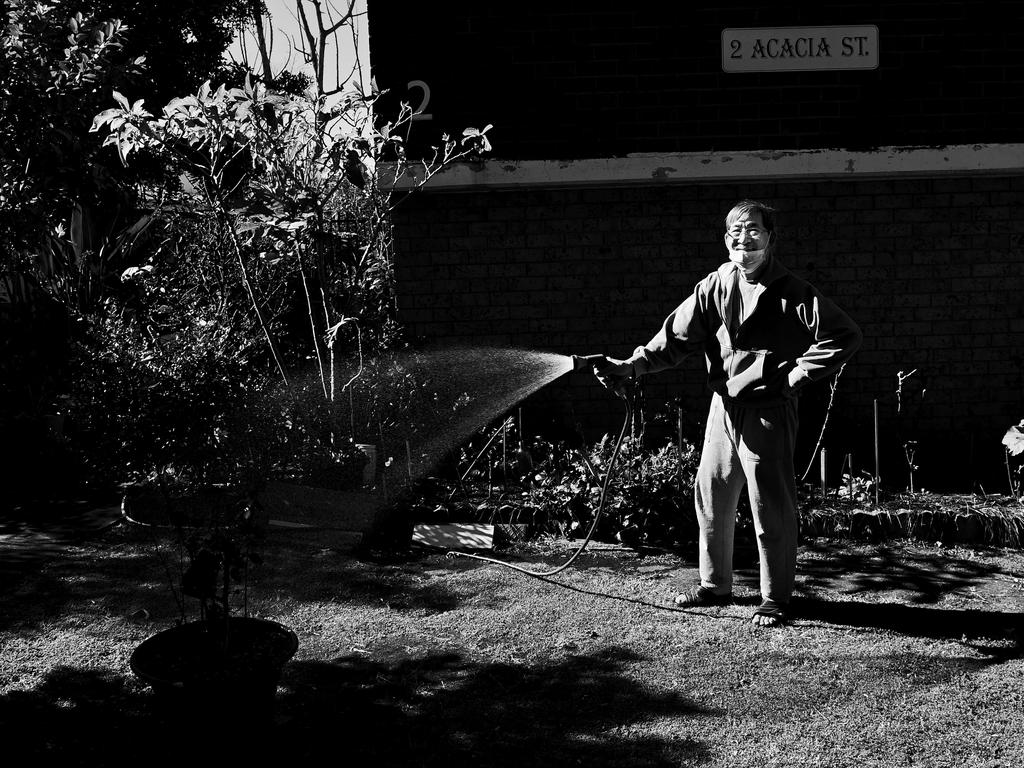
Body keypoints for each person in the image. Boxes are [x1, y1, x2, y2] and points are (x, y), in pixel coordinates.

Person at [592, 200, 862, 627]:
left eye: (754, 230)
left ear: (770, 238)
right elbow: (675, 338)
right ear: (725, 239)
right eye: (736, 231)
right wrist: (632, 366)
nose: (744, 238)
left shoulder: (794, 291)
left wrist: (797, 376)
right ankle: (715, 585)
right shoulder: (715, 285)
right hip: (724, 408)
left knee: (769, 505)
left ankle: (776, 598)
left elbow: (844, 334)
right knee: (712, 497)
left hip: (769, 411)